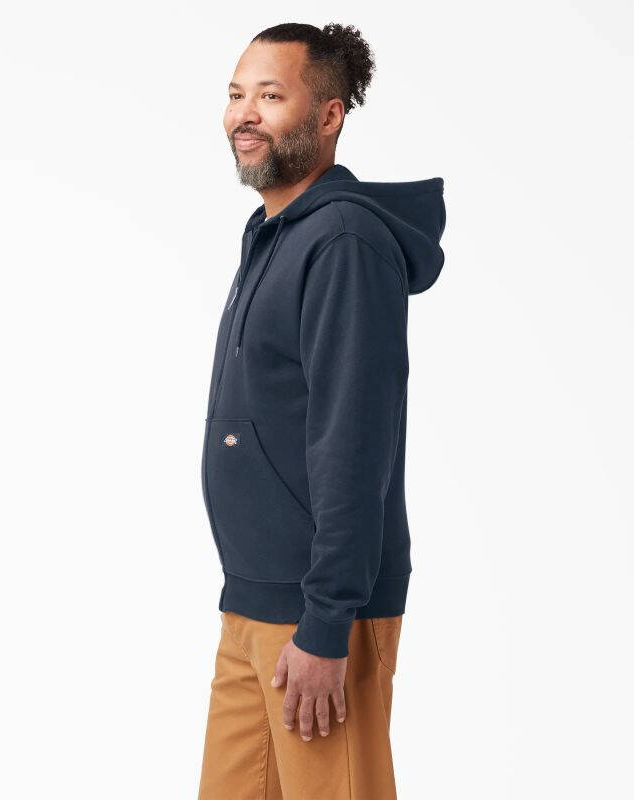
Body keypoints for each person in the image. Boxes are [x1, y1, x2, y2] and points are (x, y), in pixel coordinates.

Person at [197, 21, 446, 800]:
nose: (245, 113)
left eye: (271, 96)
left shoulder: (343, 242)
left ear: (329, 115)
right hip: (252, 600)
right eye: (237, 94)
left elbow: (354, 441)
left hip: (317, 613)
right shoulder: (272, 234)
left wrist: (326, 622)